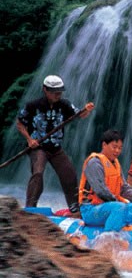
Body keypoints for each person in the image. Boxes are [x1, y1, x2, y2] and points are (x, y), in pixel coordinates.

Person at [16, 75, 94, 214]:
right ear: (45, 90)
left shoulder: (64, 104)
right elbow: (20, 123)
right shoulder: (32, 106)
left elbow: (79, 115)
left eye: (60, 91)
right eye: (54, 92)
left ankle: (74, 208)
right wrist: (29, 140)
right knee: (38, 173)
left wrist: (86, 110)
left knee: (69, 173)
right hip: (38, 147)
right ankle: (30, 208)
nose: (58, 94)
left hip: (56, 148)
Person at [78, 129, 132, 232]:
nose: (117, 151)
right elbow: (101, 191)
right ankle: (108, 237)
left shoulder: (115, 164)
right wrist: (121, 202)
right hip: (91, 209)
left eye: (120, 148)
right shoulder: (94, 163)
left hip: (112, 205)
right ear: (104, 145)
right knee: (119, 207)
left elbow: (124, 188)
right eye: (114, 147)